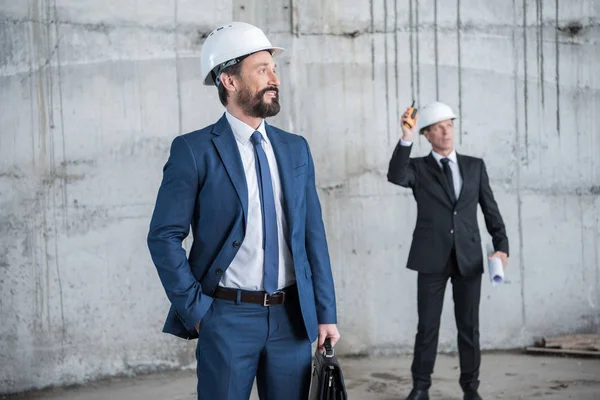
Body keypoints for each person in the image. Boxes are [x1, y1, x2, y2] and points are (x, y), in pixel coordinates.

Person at [147, 22, 340, 400]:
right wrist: (199, 312)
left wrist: (325, 311)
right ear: (229, 80)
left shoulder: (295, 148)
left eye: (274, 68)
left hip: (292, 320)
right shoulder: (193, 150)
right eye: (262, 69)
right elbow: (163, 236)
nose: (275, 79)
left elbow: (312, 234)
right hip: (226, 318)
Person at [387, 101, 509, 400]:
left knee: (469, 328)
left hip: (468, 258)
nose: (446, 132)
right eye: (439, 128)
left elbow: (490, 210)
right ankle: (421, 387)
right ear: (426, 135)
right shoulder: (417, 167)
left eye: (449, 125)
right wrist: (406, 137)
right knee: (427, 328)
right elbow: (395, 175)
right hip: (431, 258)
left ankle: (470, 389)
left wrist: (501, 247)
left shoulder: (474, 166)